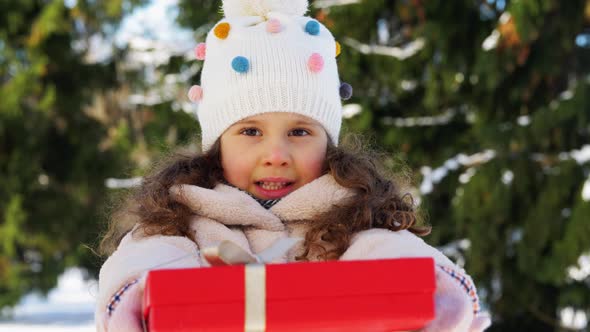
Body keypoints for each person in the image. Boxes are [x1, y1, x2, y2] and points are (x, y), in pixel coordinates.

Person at [95, 0, 491, 331]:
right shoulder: (180, 221)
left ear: (329, 146)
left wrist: (435, 289)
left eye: (300, 132)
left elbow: (393, 258)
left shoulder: (353, 221)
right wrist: (139, 297)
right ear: (216, 147)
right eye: (250, 132)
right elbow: (143, 267)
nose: (276, 154)